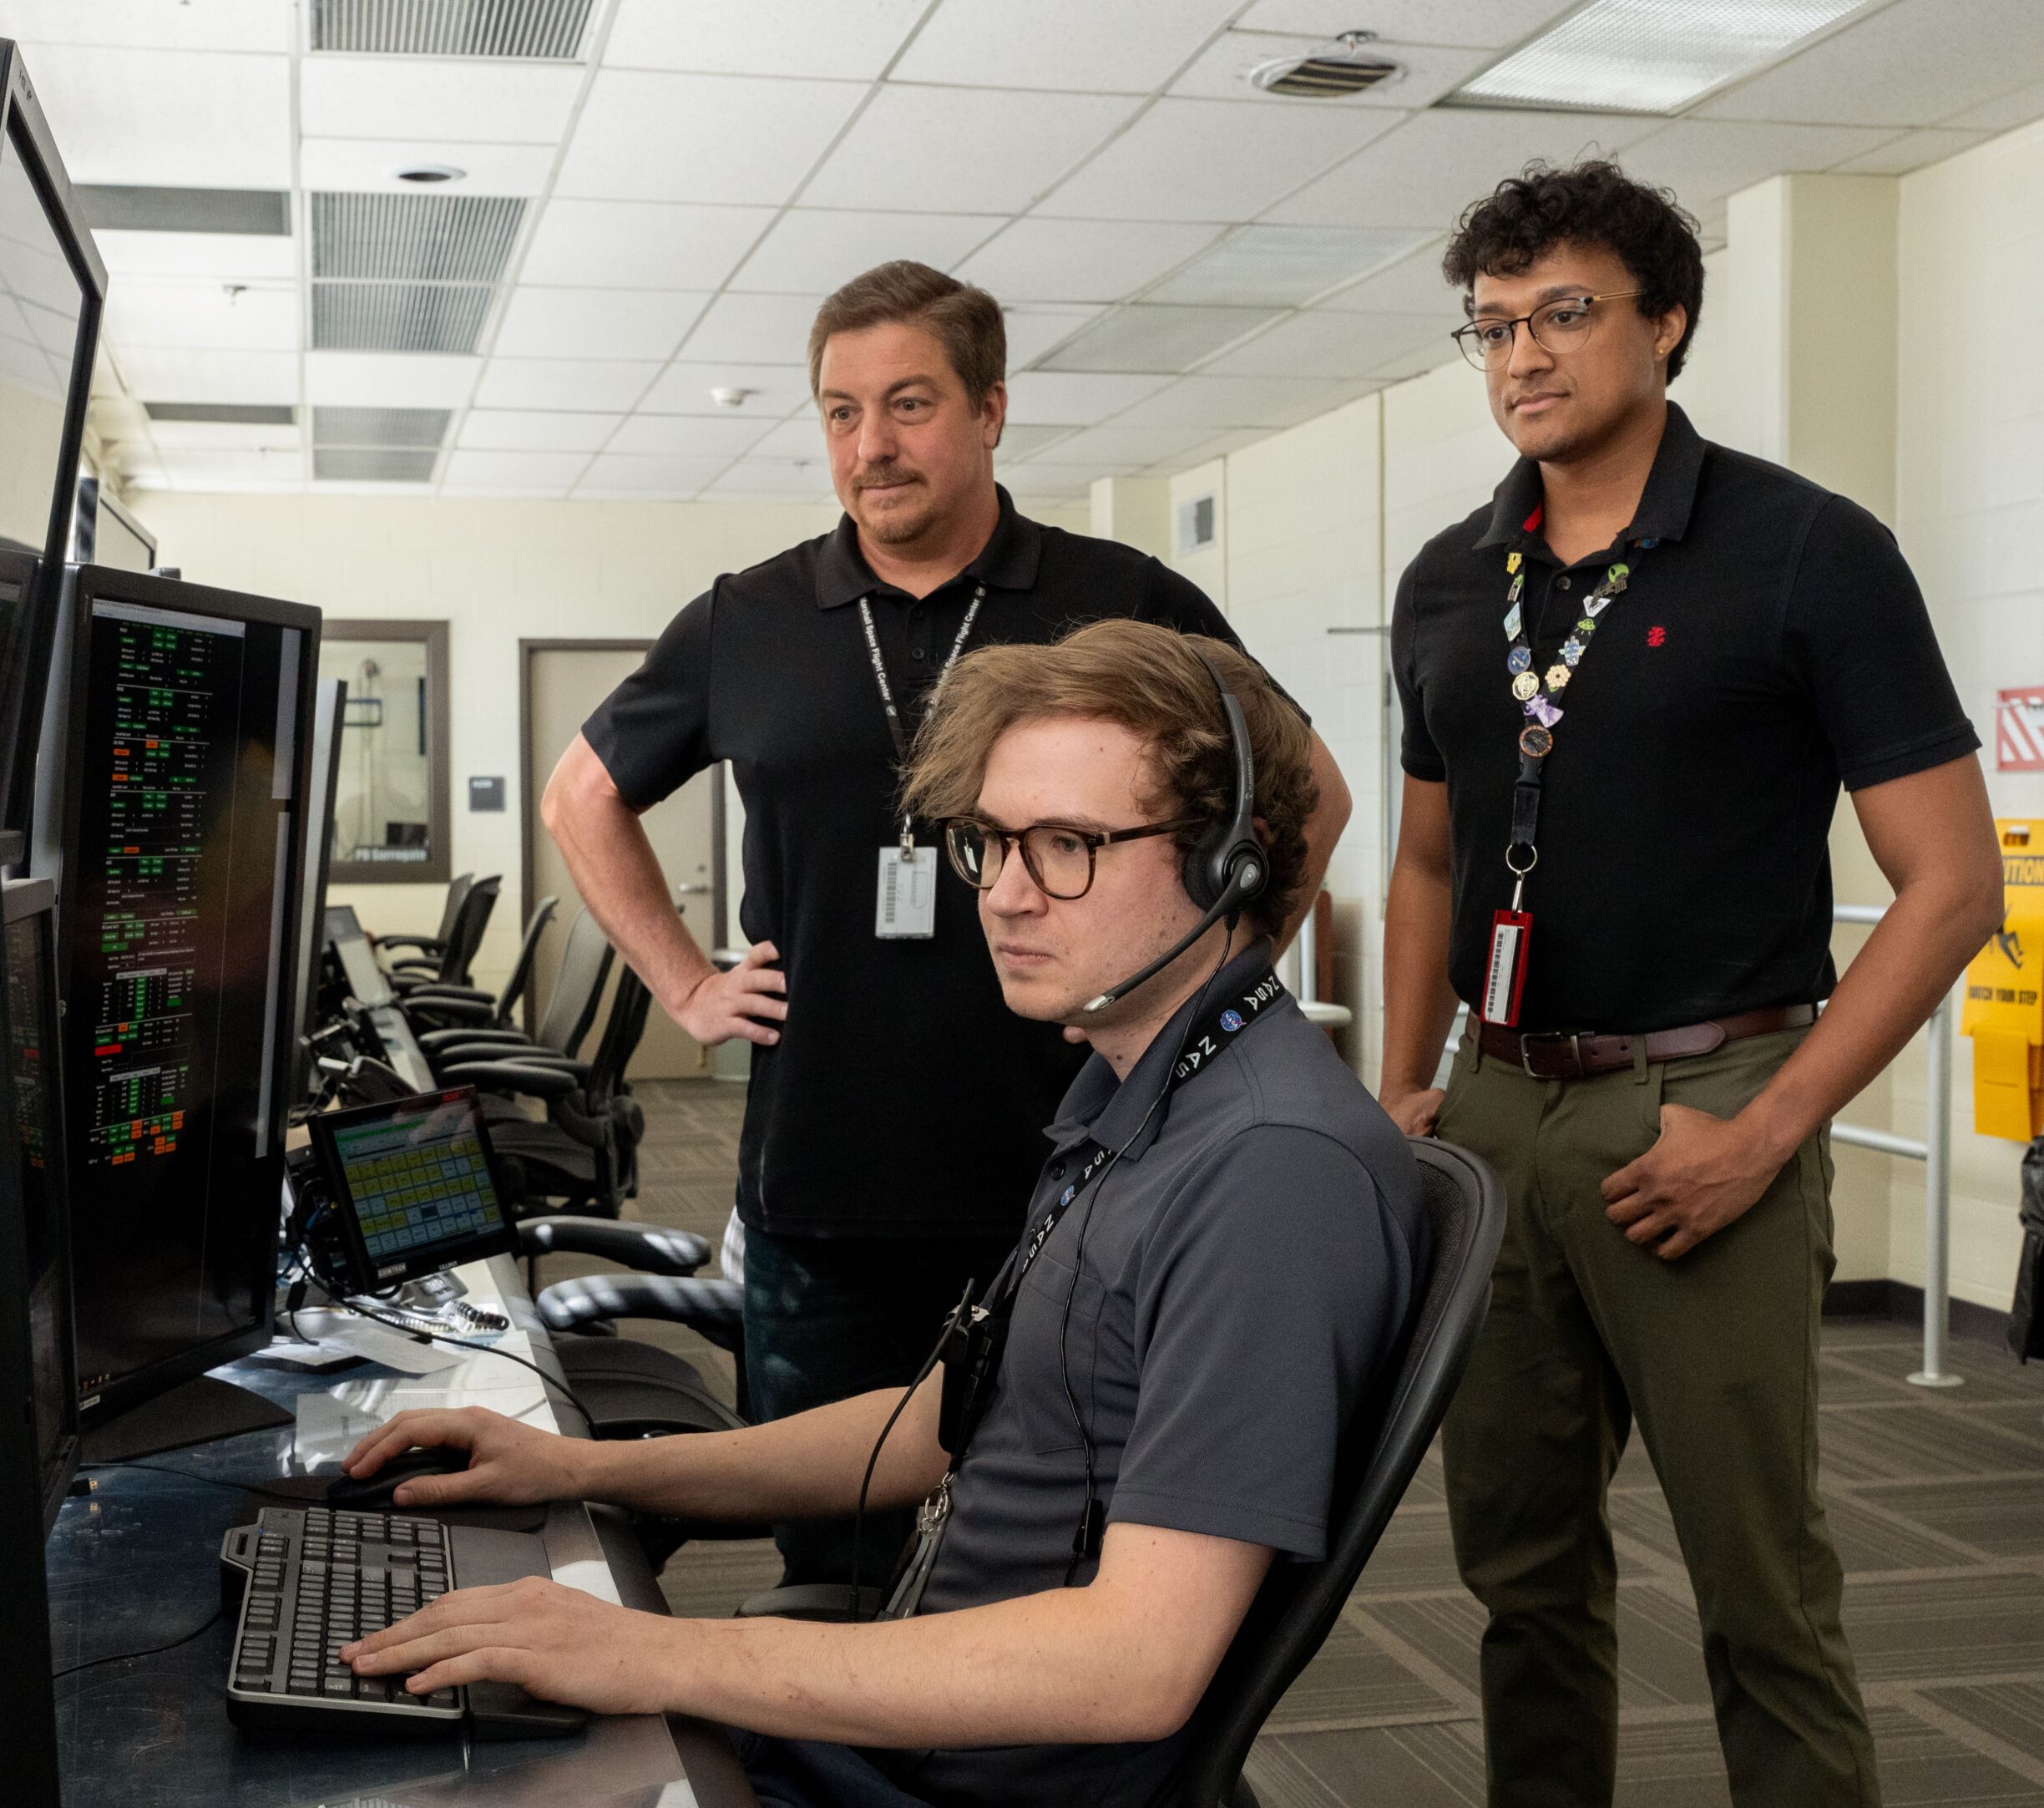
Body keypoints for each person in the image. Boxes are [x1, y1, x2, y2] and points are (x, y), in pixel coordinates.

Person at [347, 620, 1423, 1808]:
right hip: (901, 1724)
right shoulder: (1136, 1092)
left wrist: (657, 1653)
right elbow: (939, 1430)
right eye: (991, 843)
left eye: (1066, 845)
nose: (1006, 896)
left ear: (1233, 863)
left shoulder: (1265, 1170)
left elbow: (1136, 1665)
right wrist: (584, 1465)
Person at [541, 260, 1349, 1591]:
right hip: (822, 1184)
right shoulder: (748, 616)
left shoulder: (1118, 593)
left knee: (1062, 1545)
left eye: (908, 403)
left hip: (1066, 1166)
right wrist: (682, 984)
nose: (871, 444)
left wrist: (1208, 1003)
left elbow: (1308, 791)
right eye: (840, 411)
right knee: (831, 1557)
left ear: (990, 410)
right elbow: (583, 796)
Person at [1377, 160, 2004, 1808]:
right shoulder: (1447, 580)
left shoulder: (1806, 552)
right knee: (1517, 1579)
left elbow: (1950, 888)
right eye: (1491, 325)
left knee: (1758, 1600)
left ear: (1665, 323)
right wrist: (1400, 1088)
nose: (1520, 353)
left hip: (1710, 1103)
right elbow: (1427, 864)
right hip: (1497, 1105)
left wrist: (1766, 1129)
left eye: (1562, 313)